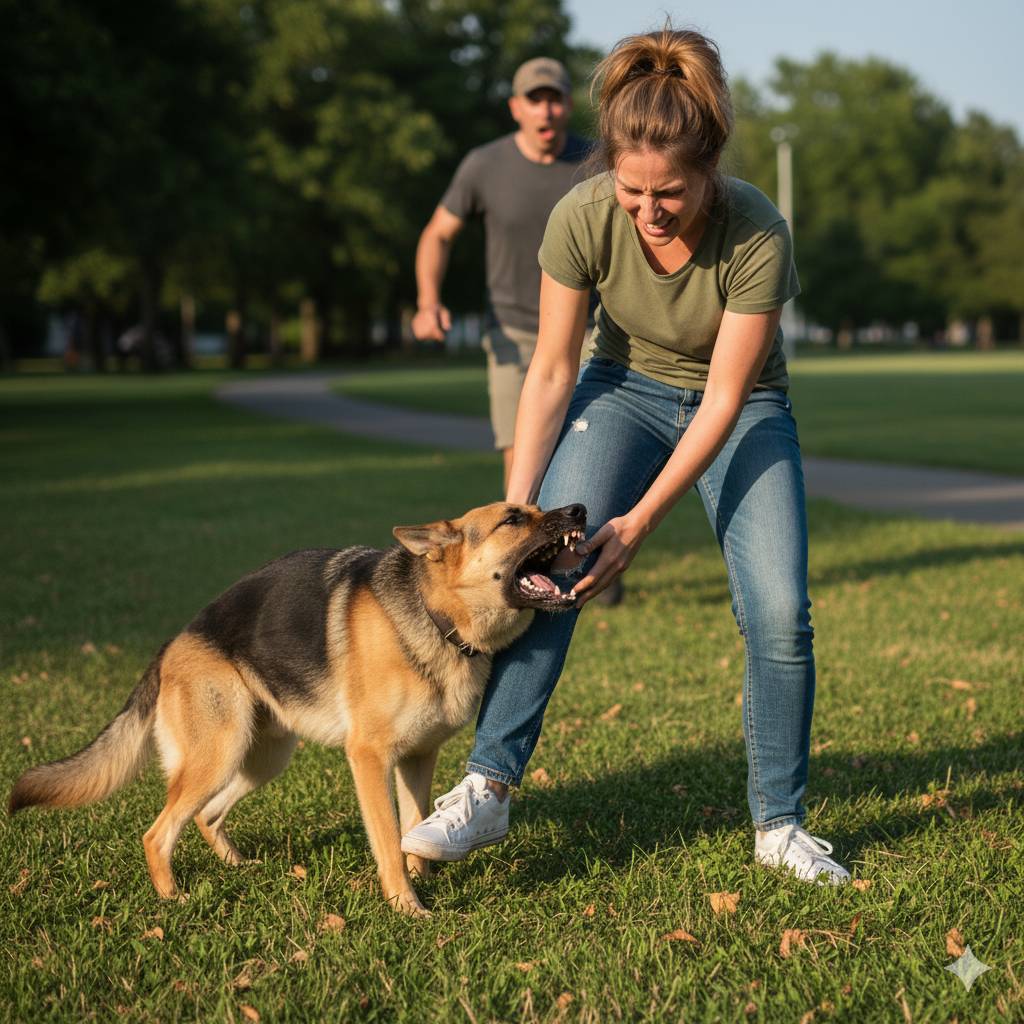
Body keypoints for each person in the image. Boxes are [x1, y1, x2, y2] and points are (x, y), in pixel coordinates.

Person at [401, 27, 850, 885]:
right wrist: (519, 520)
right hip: (619, 389)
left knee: (779, 611)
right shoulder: (583, 213)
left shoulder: (757, 230)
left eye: (670, 192)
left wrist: (637, 524)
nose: (648, 211)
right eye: (631, 189)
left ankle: (779, 825)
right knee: (546, 574)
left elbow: (723, 398)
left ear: (710, 168)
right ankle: (487, 788)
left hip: (742, 407)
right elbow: (552, 368)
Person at [411, 57, 588, 492]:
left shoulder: (594, 162)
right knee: (521, 454)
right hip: (514, 330)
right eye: (535, 100)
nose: (545, 110)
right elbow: (437, 234)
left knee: (586, 447)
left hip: (588, 332)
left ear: (568, 105)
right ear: (515, 108)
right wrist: (428, 302)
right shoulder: (484, 165)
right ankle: (522, 538)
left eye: (554, 99)